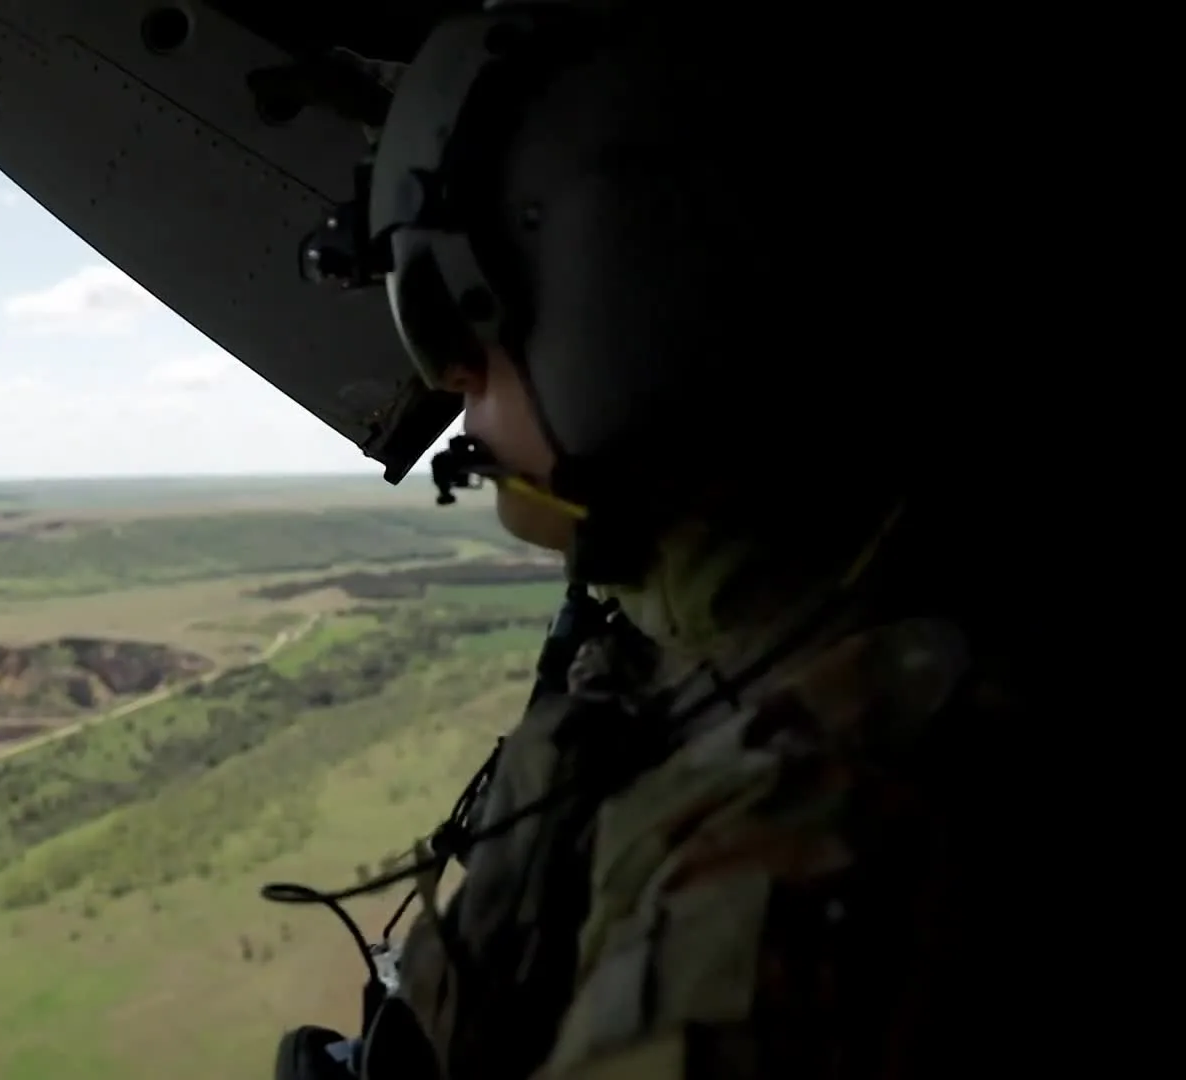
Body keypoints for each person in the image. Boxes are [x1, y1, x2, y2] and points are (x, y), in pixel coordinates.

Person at [270, 2, 1031, 1078]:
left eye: (458, 327)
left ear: (620, 291)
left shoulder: (812, 842)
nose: (456, 397)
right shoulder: (692, 645)